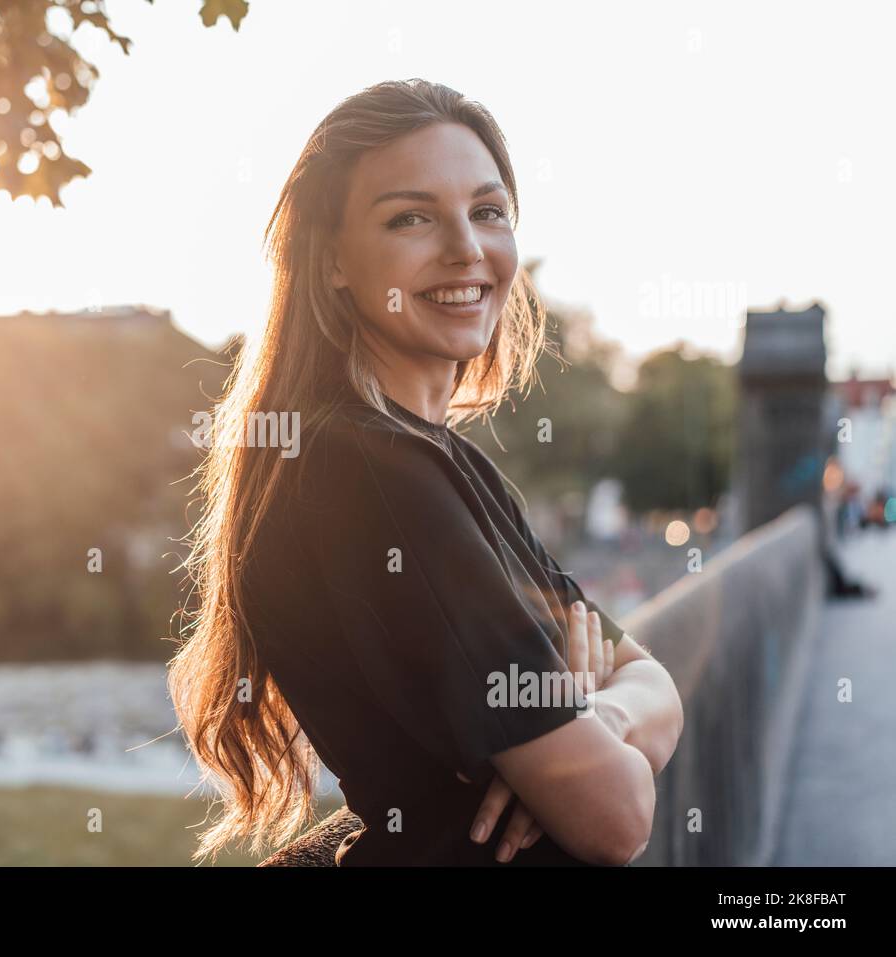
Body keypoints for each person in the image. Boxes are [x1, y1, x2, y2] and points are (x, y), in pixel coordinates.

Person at [167, 79, 684, 867]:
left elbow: (653, 682)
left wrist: (595, 717)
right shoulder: (372, 479)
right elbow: (616, 818)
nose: (466, 249)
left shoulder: (448, 463)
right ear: (332, 260)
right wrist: (579, 717)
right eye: (411, 217)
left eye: (487, 211)